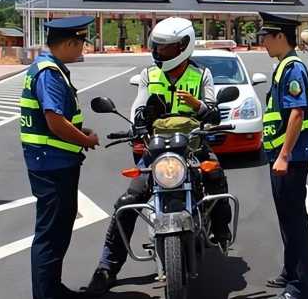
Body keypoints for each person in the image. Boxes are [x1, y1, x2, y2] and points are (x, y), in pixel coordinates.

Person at [84, 17, 232, 296]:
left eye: (166, 48)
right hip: (158, 148)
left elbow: (213, 112)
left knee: (216, 177)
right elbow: (138, 107)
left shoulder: (201, 75)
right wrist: (141, 119)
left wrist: (198, 106)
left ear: (183, 46)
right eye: (158, 47)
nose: (159, 52)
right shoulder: (148, 75)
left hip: (192, 142)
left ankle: (221, 231)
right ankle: (106, 267)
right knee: (127, 200)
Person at [20, 15, 100, 299]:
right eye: (80, 44)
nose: (82, 49)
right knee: (51, 236)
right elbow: (54, 121)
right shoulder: (49, 73)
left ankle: (52, 289)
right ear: (68, 42)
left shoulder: (49, 68)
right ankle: (47, 294)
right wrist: (86, 139)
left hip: (52, 162)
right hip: (52, 165)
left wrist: (80, 129)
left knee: (57, 231)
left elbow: (59, 118)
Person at [258, 12, 308, 299]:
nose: (263, 43)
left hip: (290, 159)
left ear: (280, 36)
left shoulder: (293, 68)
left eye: (265, 37)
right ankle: (289, 272)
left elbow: (297, 113)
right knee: (286, 218)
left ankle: (300, 286)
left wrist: (283, 155)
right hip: (281, 157)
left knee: (295, 220)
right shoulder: (282, 67)